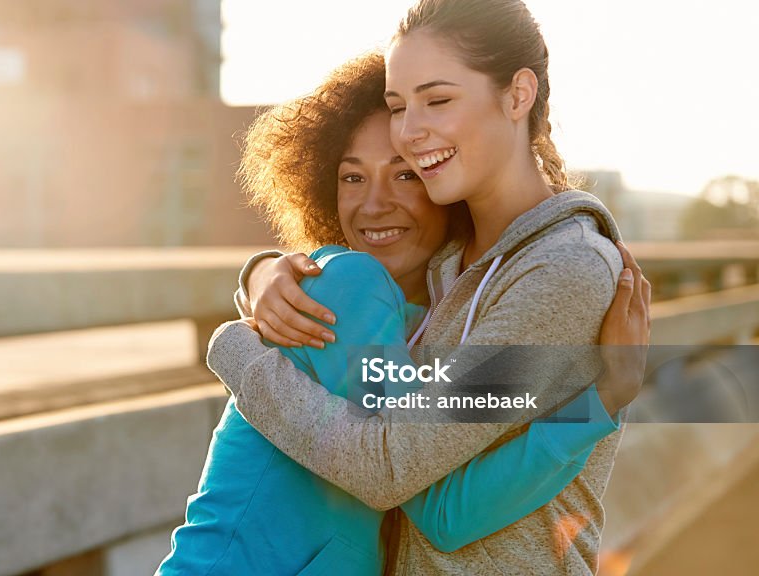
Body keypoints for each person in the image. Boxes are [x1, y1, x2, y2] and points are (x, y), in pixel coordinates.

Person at [159, 47, 649, 576]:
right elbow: (423, 498)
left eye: (405, 175)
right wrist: (232, 344)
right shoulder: (348, 285)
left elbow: (446, 514)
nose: (373, 205)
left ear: (442, 183)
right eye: (352, 177)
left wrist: (599, 406)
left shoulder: (432, 319)